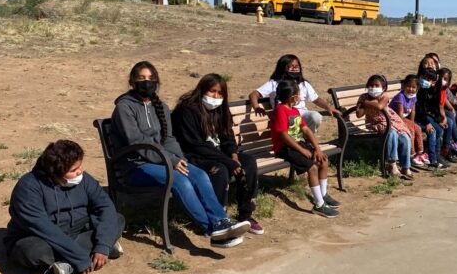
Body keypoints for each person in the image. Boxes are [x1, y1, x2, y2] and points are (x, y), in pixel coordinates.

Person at [112, 61, 250, 248]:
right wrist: (171, 161)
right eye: (141, 78)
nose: (147, 82)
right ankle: (212, 229)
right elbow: (137, 144)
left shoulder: (159, 106)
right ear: (132, 81)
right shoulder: (124, 107)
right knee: (180, 180)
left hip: (162, 160)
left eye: (151, 79)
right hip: (136, 165)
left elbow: (169, 139)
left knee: (198, 174)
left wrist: (180, 159)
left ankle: (220, 222)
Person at [4, 140, 124, 274]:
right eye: (73, 170)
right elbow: (44, 229)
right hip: (41, 237)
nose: (80, 172)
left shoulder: (84, 179)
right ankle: (88, 253)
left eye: (79, 166)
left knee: (117, 219)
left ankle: (67, 265)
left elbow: (104, 206)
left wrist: (103, 245)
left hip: (78, 228)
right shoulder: (28, 188)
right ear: (55, 174)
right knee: (32, 253)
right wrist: (80, 258)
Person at [173, 74, 263, 236]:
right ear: (202, 91)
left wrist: (234, 155)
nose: (216, 97)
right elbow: (195, 145)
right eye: (212, 91)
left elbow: (228, 135)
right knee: (219, 169)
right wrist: (228, 161)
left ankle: (245, 215)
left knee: (248, 161)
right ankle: (218, 218)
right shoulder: (186, 111)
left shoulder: (220, 109)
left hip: (220, 154)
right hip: (194, 156)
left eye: (220, 93)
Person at [271, 79, 339, 218]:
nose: (301, 96)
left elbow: (306, 130)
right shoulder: (280, 110)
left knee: (323, 160)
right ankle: (319, 205)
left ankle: (323, 195)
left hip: (296, 144)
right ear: (293, 97)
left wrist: (318, 149)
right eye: (299, 93)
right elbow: (283, 136)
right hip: (284, 147)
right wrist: (302, 151)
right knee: (312, 167)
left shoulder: (294, 110)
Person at [250, 54, 341, 132]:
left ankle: (306, 139)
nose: (294, 69)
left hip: (301, 114)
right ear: (282, 68)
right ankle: (297, 143)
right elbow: (254, 94)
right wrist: (257, 107)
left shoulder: (303, 84)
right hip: (283, 115)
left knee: (316, 116)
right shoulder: (274, 83)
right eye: (290, 66)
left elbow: (316, 99)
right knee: (293, 120)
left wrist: (328, 107)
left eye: (297, 66)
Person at [357, 74, 415, 180]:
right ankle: (392, 164)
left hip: (390, 120)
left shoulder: (384, 96)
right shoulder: (363, 96)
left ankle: (406, 167)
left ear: (383, 88)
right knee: (391, 133)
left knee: (405, 137)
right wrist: (367, 103)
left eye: (376, 85)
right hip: (376, 123)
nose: (373, 88)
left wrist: (366, 103)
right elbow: (358, 114)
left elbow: (379, 106)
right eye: (371, 85)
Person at [390, 74, 427, 167]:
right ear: (404, 86)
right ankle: (412, 154)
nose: (411, 89)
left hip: (403, 118)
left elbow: (413, 110)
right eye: (408, 86)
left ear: (417, 88)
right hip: (395, 119)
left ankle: (420, 152)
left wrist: (412, 123)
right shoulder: (400, 97)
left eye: (413, 87)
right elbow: (400, 114)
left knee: (417, 128)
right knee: (410, 130)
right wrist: (408, 126)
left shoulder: (413, 96)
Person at [414, 68, 447, 170]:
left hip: (423, 117)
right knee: (432, 131)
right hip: (415, 119)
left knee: (440, 129)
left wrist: (438, 121)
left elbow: (435, 106)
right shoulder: (417, 90)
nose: (426, 81)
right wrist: (427, 123)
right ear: (420, 77)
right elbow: (418, 109)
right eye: (425, 78)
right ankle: (432, 160)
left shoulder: (428, 90)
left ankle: (430, 154)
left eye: (430, 80)